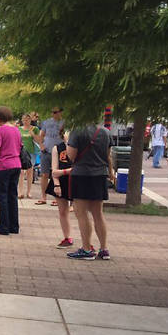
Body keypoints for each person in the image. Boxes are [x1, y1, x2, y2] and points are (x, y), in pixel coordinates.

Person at [65, 124, 113, 260]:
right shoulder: (105, 132)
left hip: (82, 175)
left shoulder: (77, 130)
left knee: (81, 213)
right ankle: (104, 249)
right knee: (98, 213)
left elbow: (71, 156)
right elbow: (107, 156)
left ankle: (86, 249)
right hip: (100, 175)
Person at [0, 106, 22, 235]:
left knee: (2, 196)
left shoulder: (0, 131)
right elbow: (19, 147)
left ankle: (3, 226)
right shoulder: (16, 130)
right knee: (12, 196)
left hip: (3, 165)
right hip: (16, 164)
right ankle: (14, 226)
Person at [45, 128, 73, 248]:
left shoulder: (79, 148)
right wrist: (56, 184)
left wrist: (63, 172)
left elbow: (79, 168)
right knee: (63, 211)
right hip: (61, 182)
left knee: (81, 211)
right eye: (66, 133)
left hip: (76, 180)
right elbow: (54, 170)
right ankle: (67, 237)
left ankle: (87, 242)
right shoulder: (57, 148)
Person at [36, 107, 64, 205]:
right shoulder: (47, 122)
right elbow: (41, 135)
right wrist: (41, 145)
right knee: (44, 174)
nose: (54, 114)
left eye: (56, 112)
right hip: (46, 151)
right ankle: (43, 197)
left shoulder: (64, 122)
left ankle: (57, 197)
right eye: (52, 112)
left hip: (58, 151)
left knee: (56, 175)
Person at [18, 113, 40, 199]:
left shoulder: (35, 129)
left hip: (31, 152)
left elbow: (38, 140)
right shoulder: (19, 129)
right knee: (20, 172)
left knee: (30, 171)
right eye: (24, 120)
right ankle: (20, 191)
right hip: (21, 152)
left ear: (30, 120)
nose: (25, 121)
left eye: (27, 119)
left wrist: (33, 135)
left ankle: (29, 191)